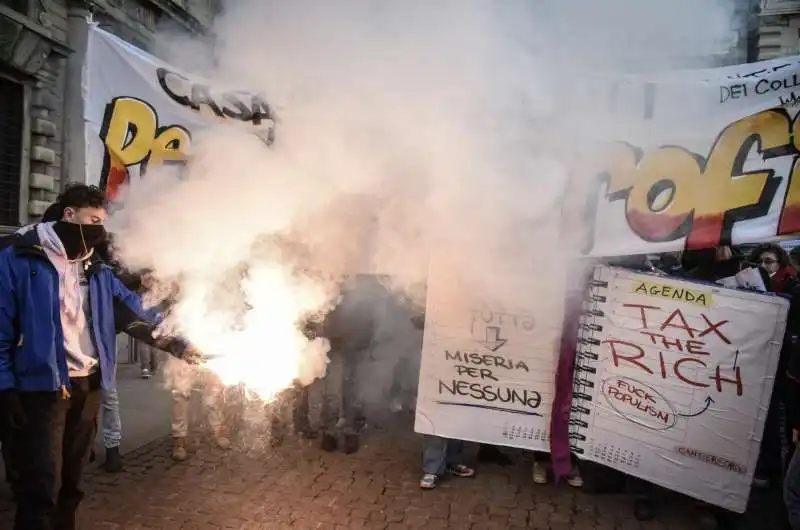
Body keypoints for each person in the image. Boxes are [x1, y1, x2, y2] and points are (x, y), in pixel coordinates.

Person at [0, 184, 200, 530]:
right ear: (69, 215)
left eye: (102, 222)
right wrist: (5, 386)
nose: (98, 229)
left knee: (73, 483)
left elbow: (136, 311)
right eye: (92, 219)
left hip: (89, 386)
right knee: (40, 485)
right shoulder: (19, 259)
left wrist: (180, 344)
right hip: (40, 389)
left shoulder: (96, 269)